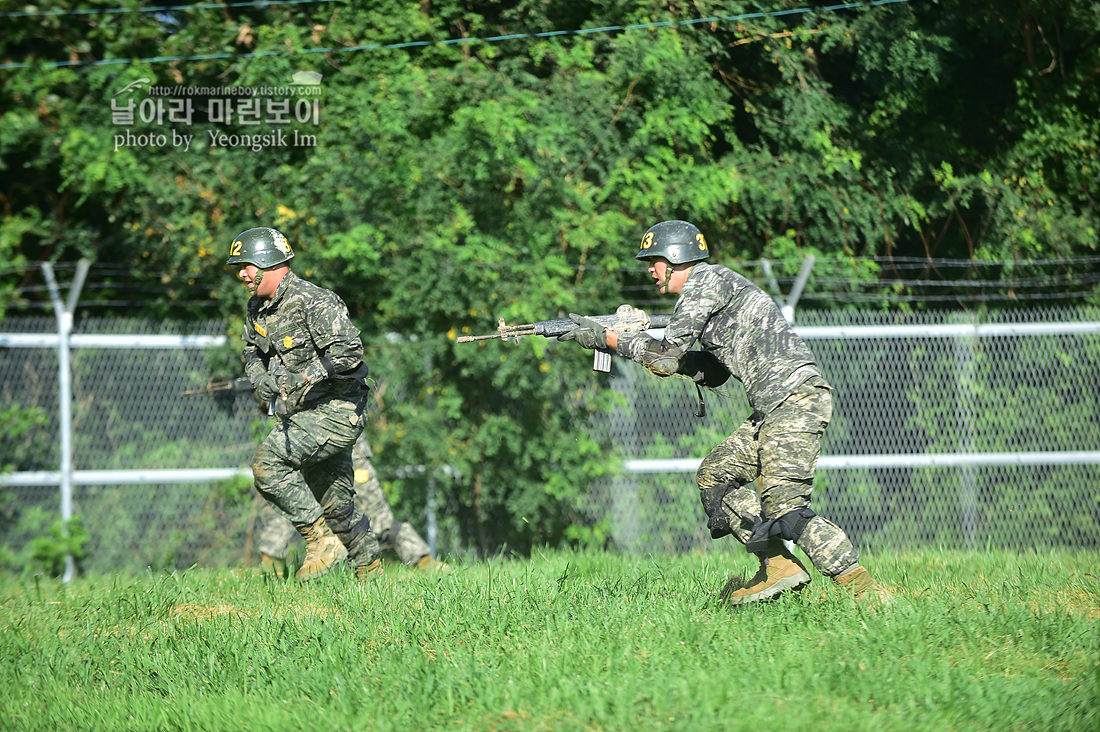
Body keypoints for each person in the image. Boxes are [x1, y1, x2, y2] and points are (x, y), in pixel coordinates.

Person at [560, 220, 891, 605]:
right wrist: (623, 339)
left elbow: (666, 358)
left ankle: (868, 594)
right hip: (775, 405)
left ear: (675, 257)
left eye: (654, 261)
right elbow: (711, 369)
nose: (649, 270)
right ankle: (778, 566)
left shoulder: (703, 282)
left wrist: (611, 339)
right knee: (714, 475)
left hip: (793, 400)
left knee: (786, 507)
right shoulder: (712, 287)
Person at [227, 226, 381, 581]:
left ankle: (320, 542)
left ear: (266, 263)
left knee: (268, 465)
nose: (241, 274)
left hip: (340, 411)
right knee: (337, 504)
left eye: (246, 265)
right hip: (305, 415)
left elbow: (349, 352)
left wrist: (302, 377)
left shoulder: (315, 300)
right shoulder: (257, 309)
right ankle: (371, 573)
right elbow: (251, 351)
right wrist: (259, 379)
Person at [256, 434, 448, 574]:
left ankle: (422, 560)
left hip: (345, 440)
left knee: (377, 512)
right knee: (288, 499)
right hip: (297, 440)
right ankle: (271, 568)